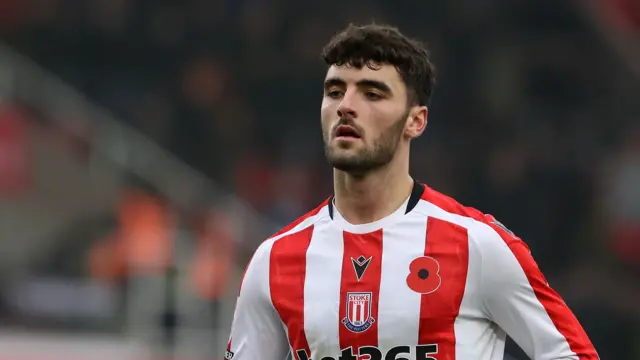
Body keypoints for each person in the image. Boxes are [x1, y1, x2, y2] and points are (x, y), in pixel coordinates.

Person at [224, 23, 598, 360]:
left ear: (415, 121)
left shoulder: (477, 245)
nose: (346, 107)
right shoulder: (275, 261)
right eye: (335, 91)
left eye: (372, 94)